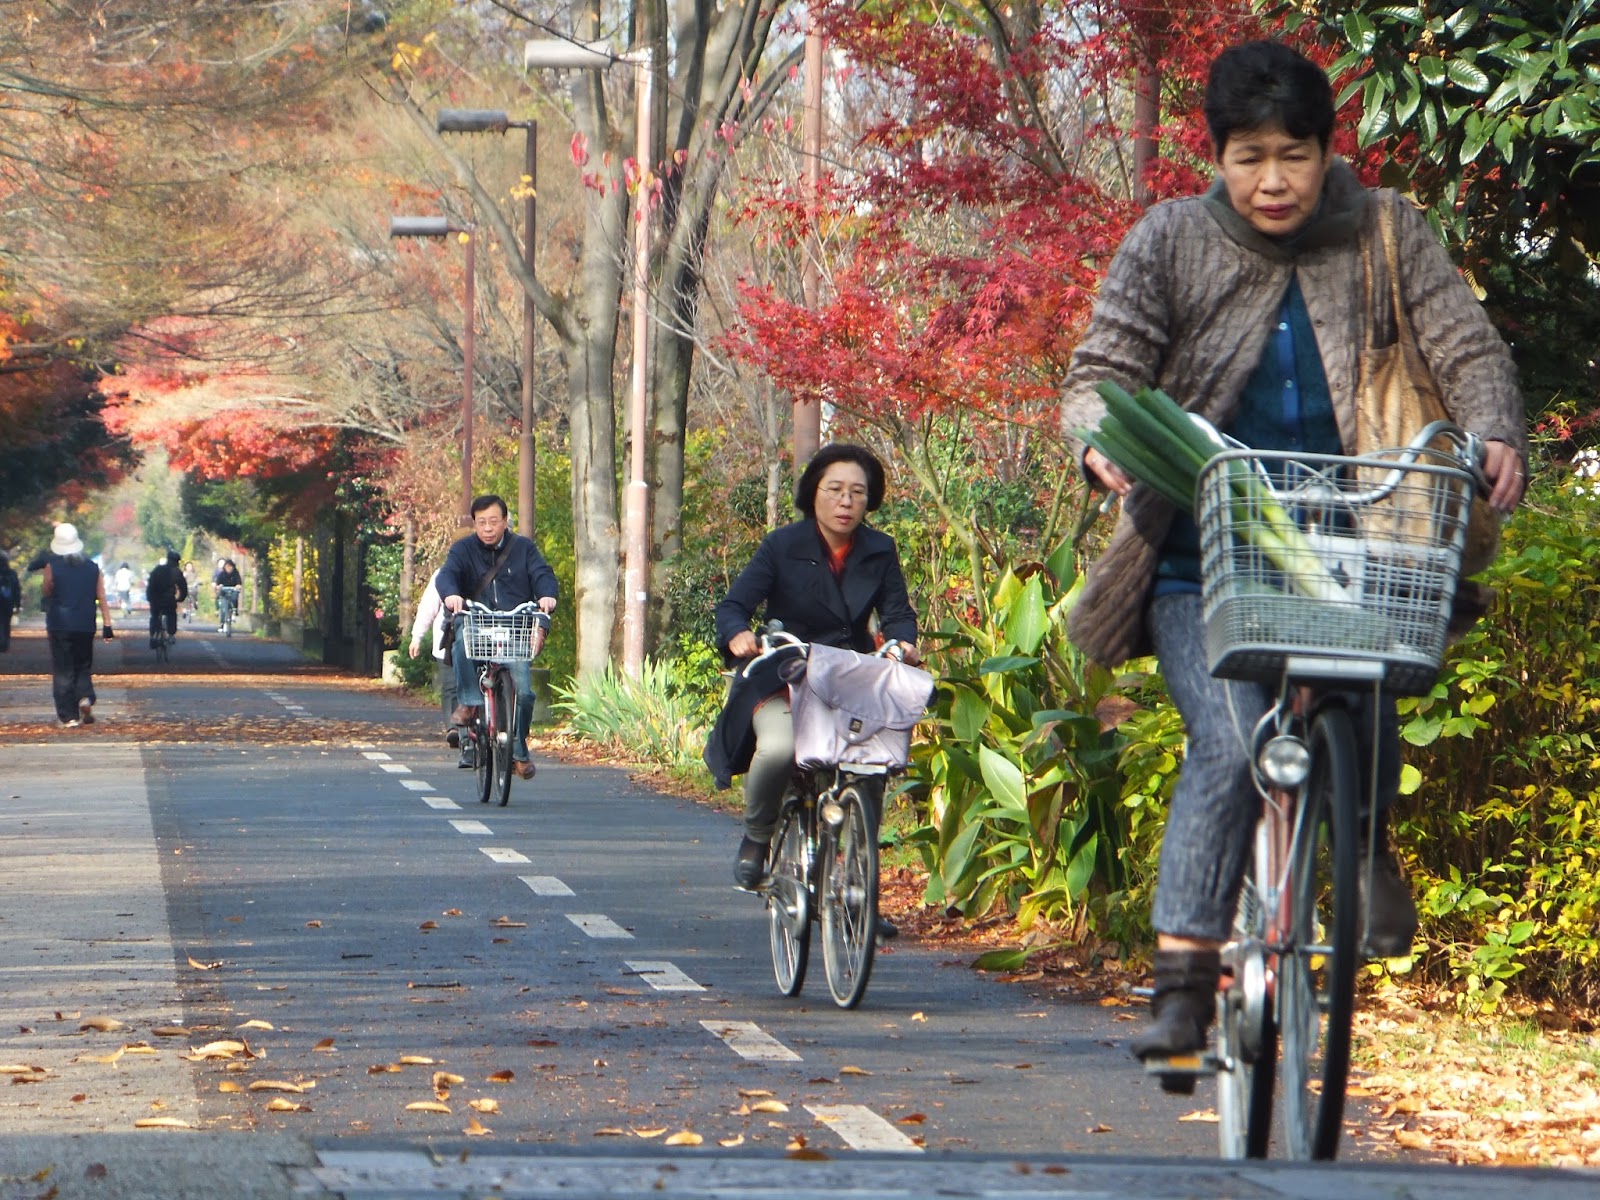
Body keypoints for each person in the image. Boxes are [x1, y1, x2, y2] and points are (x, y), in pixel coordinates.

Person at [1060, 40, 1527, 1074]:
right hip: (1203, 555)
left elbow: (1465, 346)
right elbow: (1101, 369)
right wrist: (1102, 441)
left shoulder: (1384, 231)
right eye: (1248, 156)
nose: (1272, 180)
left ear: (1326, 152)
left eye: (1294, 155)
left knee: (1378, 668)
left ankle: (1363, 849)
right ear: (1217, 158)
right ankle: (1183, 984)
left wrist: (1493, 428)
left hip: (1360, 537)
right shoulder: (1171, 240)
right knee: (1228, 746)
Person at [711, 443, 921, 912]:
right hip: (788, 674)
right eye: (835, 490)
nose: (846, 502)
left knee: (872, 768)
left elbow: (898, 613)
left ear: (870, 501)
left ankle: (860, 891)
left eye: (857, 493)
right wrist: (739, 635)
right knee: (780, 748)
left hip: (852, 679)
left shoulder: (879, 549)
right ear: (814, 494)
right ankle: (758, 837)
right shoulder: (782, 545)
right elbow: (733, 607)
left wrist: (903, 642)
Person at [439, 495, 558, 779]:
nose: (488, 528)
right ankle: (469, 703)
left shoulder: (524, 549)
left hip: (514, 626)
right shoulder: (463, 549)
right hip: (478, 622)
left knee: (525, 693)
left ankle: (518, 750)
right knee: (461, 642)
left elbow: (542, 574)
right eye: (482, 523)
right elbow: (447, 576)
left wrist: (546, 596)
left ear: (505, 521)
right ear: (475, 524)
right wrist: (452, 594)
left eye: (494, 521)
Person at [41, 523, 114, 725]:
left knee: (63, 668)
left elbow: (46, 591)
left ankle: (68, 716)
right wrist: (107, 625)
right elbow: (101, 596)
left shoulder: (51, 566)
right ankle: (84, 696)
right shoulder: (93, 567)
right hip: (85, 623)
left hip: (59, 624)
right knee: (82, 664)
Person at [408, 569, 460, 752]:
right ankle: (453, 728)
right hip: (447, 641)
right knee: (451, 686)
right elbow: (428, 608)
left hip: (480, 641)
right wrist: (417, 637)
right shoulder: (443, 574)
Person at [146, 551, 189, 648]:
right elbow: (183, 587)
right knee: (171, 614)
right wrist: (181, 598)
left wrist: (149, 597)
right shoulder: (176, 571)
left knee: (154, 616)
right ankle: (171, 634)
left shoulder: (157, 569)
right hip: (168, 599)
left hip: (155, 598)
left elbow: (150, 584)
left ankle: (153, 636)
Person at [213, 558, 243, 630]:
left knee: (235, 597)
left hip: (233, 590)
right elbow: (218, 582)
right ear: (224, 567)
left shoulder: (236, 573)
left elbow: (239, 582)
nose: (229, 568)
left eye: (230, 567)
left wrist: (238, 586)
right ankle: (222, 623)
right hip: (224, 591)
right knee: (224, 607)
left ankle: (235, 610)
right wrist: (218, 586)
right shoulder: (222, 574)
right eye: (227, 567)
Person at [0, 552, 19, 652]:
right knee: (6, 623)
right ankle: (4, 644)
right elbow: (16, 589)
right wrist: (17, 604)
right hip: (8, 602)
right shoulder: (11, 573)